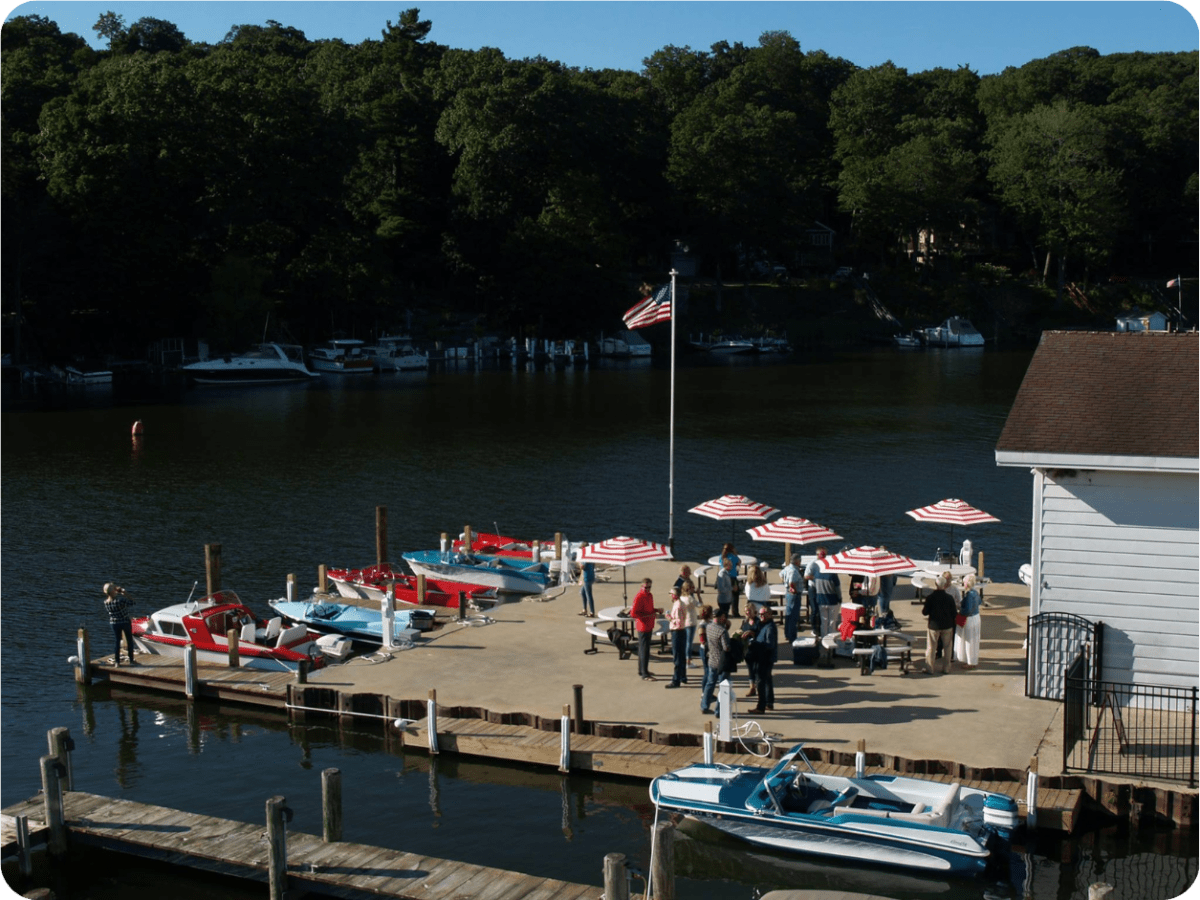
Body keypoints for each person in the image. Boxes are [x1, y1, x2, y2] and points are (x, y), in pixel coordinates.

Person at [921, 575, 957, 674]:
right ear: (945, 585)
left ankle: (930, 668)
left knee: (931, 647)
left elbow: (924, 612)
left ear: (936, 584)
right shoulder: (949, 598)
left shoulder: (930, 597)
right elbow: (954, 613)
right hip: (947, 625)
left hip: (934, 626)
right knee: (948, 647)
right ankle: (946, 668)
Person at [701, 608, 731, 715]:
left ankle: (704, 705)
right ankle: (718, 711)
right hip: (722, 663)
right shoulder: (722, 631)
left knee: (710, 684)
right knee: (723, 687)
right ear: (721, 617)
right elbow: (726, 647)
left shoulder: (708, 627)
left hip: (712, 660)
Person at [629, 578, 660, 681]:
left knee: (644, 649)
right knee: (644, 650)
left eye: (649, 587)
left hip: (649, 625)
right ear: (641, 586)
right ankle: (645, 674)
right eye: (646, 587)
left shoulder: (649, 595)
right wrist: (649, 615)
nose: (647, 589)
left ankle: (642, 670)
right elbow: (633, 614)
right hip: (643, 626)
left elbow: (649, 609)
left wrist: (655, 610)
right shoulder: (639, 596)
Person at [752, 605, 778, 712]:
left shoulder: (770, 627)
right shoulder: (763, 624)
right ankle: (769, 702)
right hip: (766, 658)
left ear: (769, 614)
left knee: (761, 682)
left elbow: (769, 645)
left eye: (763, 614)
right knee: (767, 680)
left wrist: (756, 645)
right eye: (760, 614)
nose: (761, 616)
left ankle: (761, 706)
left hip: (765, 658)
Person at [103, 582, 137, 666]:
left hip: (114, 623)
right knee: (129, 641)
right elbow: (133, 602)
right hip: (125, 621)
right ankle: (131, 660)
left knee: (117, 642)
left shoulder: (106, 603)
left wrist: (116, 591)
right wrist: (124, 593)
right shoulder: (120, 601)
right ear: (113, 591)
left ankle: (117, 662)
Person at [811, 548, 841, 638]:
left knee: (823, 622)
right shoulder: (833, 575)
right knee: (832, 623)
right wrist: (839, 599)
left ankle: (824, 640)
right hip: (832, 601)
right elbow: (838, 589)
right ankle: (830, 641)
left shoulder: (816, 574)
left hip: (821, 600)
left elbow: (814, 586)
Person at [954, 573, 982, 669]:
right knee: (974, 640)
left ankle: (970, 662)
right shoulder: (975, 592)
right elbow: (980, 602)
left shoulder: (969, 595)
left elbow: (968, 609)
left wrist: (961, 611)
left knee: (968, 641)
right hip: (976, 617)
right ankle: (973, 660)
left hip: (969, 619)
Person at [666, 588, 690, 688]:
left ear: (674, 595)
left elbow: (679, 622)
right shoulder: (680, 603)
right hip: (681, 632)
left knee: (677, 657)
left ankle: (676, 680)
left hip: (677, 632)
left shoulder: (678, 605)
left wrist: (669, 618)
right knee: (681, 656)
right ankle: (683, 677)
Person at [779, 553, 804, 643]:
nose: (800, 562)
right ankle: (792, 636)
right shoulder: (793, 571)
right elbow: (791, 582)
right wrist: (794, 589)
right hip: (794, 595)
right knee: (793, 616)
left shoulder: (787, 568)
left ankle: (787, 634)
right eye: (800, 560)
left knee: (788, 615)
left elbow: (780, 574)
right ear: (797, 561)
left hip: (788, 594)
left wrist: (784, 582)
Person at [740, 601, 761, 698]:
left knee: (757, 669)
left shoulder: (758, 622)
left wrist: (752, 633)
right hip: (747, 650)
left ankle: (759, 688)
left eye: (749, 611)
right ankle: (752, 687)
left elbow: (761, 635)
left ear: (753, 611)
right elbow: (740, 631)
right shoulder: (744, 622)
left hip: (757, 649)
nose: (747, 613)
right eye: (745, 611)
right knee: (750, 669)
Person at [679, 581, 701, 668]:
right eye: (693, 588)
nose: (694, 589)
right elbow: (700, 605)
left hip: (684, 622)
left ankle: (685, 660)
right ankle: (688, 661)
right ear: (689, 589)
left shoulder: (681, 597)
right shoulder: (690, 598)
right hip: (691, 622)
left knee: (686, 642)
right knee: (689, 642)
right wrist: (698, 595)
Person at [720, 542, 742, 616]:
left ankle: (724, 611)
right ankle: (735, 612)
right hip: (732, 577)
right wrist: (735, 553)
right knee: (735, 595)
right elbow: (739, 562)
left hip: (724, 577)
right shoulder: (733, 556)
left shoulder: (721, 557)